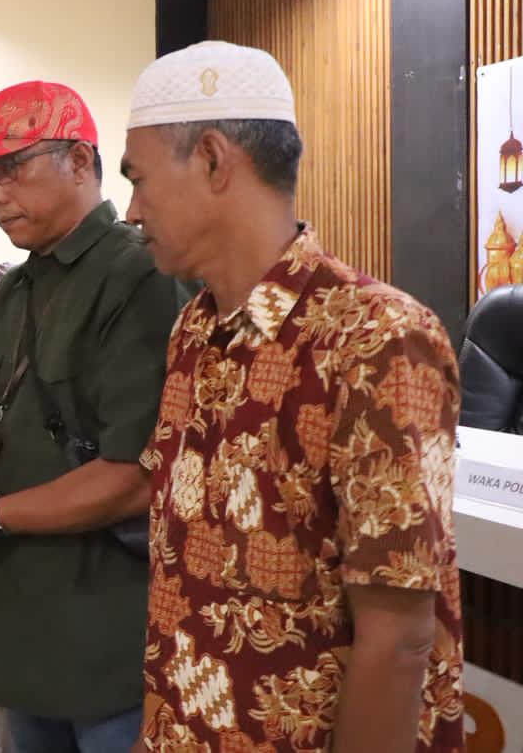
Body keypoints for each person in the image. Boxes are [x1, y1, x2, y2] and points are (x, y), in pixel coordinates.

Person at [121, 41, 464, 752]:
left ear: (212, 160)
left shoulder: (375, 336)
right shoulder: (194, 328)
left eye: (140, 180)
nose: (131, 210)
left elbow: (399, 637)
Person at [0, 81, 186, 753]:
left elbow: (136, 476)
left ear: (81, 162)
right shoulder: (10, 295)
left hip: (113, 638)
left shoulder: (140, 276)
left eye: (12, 168)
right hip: (22, 635)